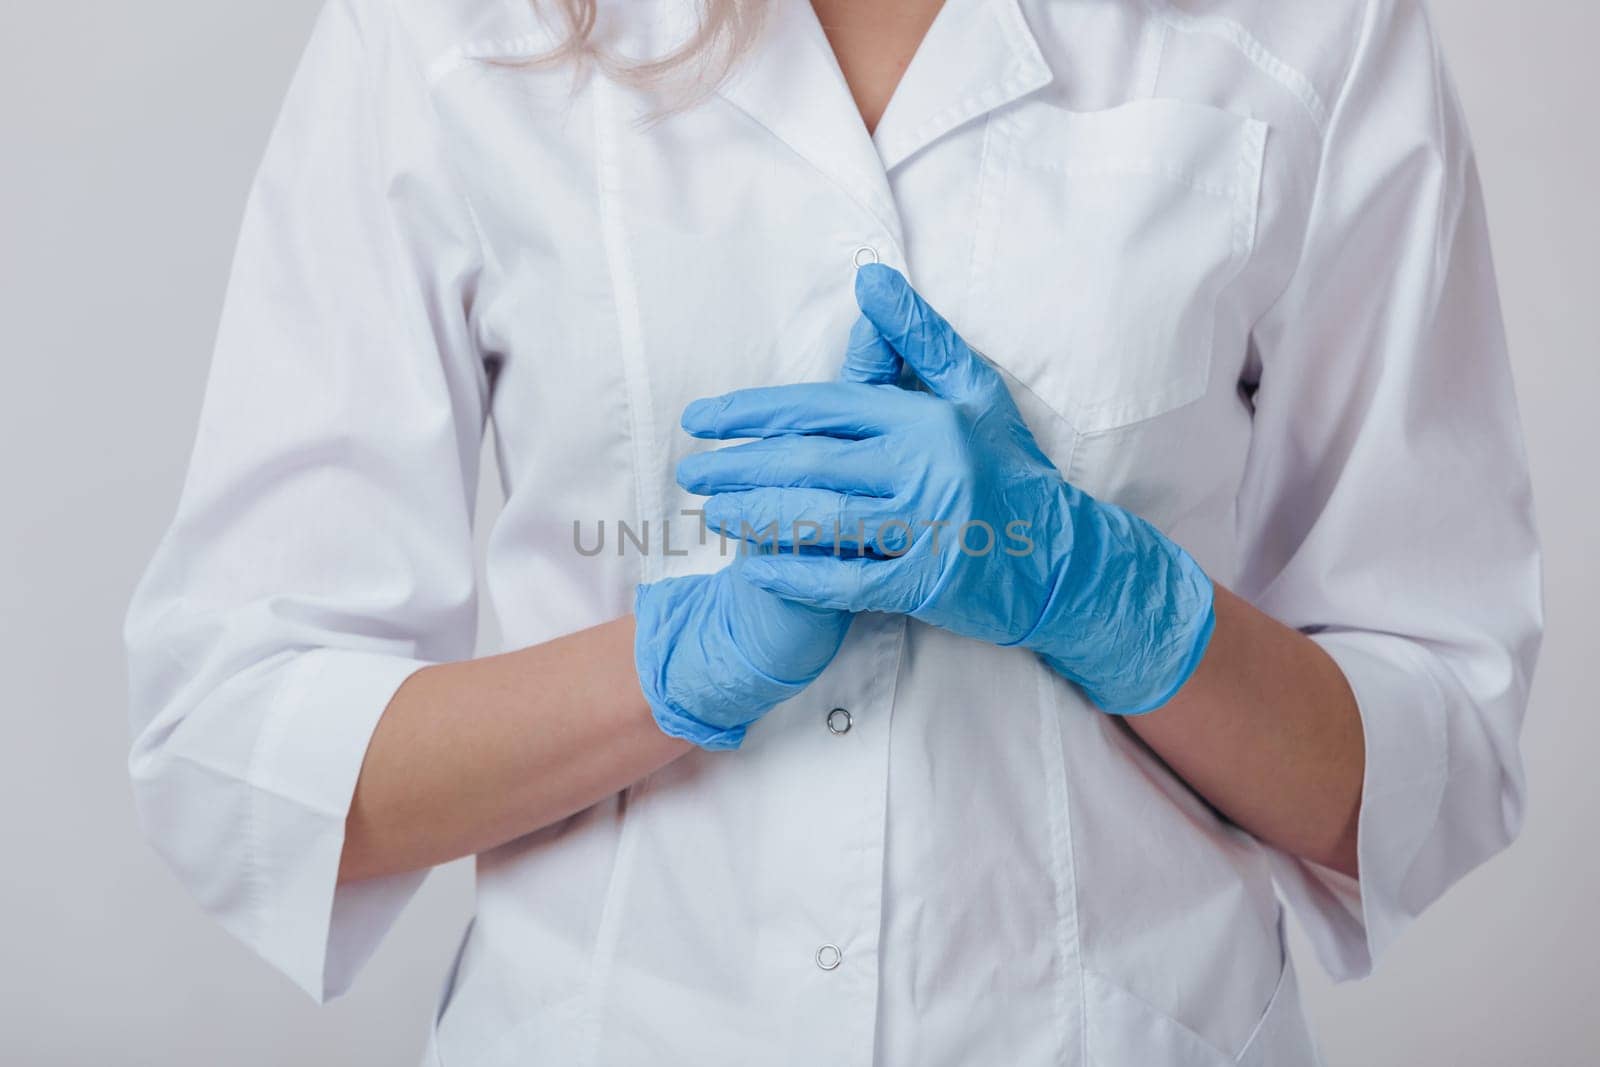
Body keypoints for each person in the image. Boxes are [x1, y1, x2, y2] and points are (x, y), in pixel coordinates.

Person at [124, 0, 1542, 1063]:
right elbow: (249, 740)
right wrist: (668, 672)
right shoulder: (452, 29)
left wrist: (1102, 594)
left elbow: (1426, 762)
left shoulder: (1311, 25)